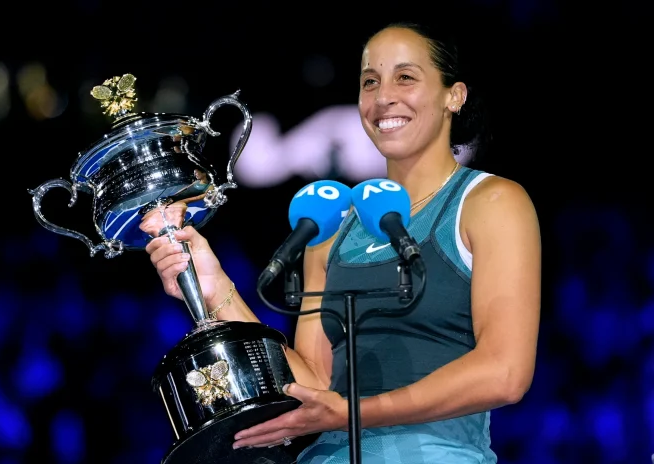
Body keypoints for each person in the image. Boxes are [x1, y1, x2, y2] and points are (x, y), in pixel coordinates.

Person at [142, 21, 541, 463]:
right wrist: (218, 290)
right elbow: (312, 387)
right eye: (370, 82)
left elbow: (505, 373)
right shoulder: (332, 227)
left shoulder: (491, 202)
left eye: (405, 77)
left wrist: (351, 413)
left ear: (454, 95)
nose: (383, 96)